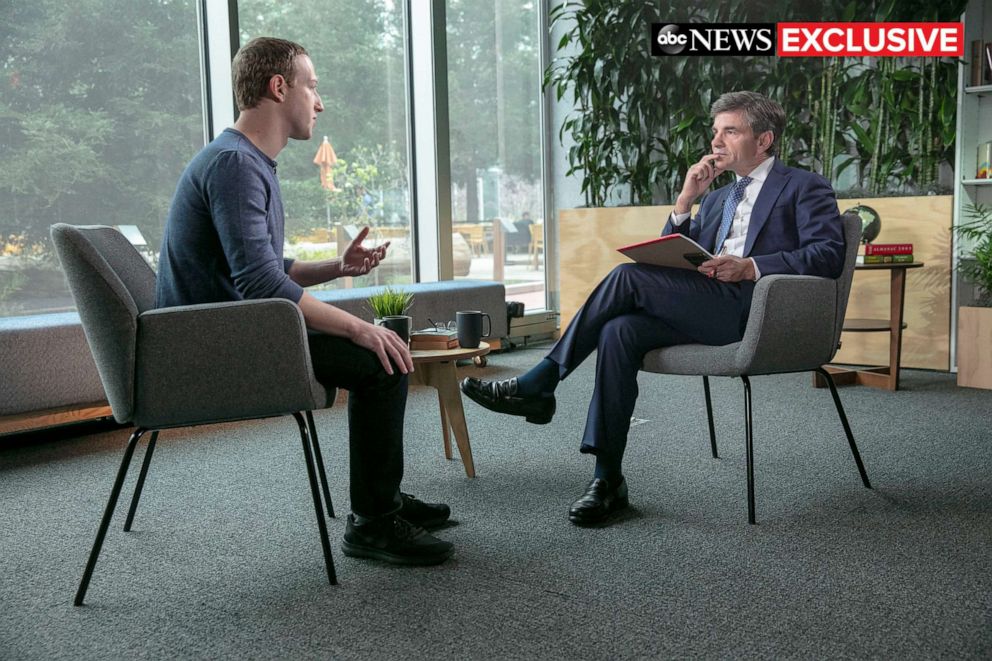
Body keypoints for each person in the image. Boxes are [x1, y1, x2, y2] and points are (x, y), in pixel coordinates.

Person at [461, 91, 845, 526]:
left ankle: (541, 382)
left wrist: (751, 267)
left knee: (626, 277)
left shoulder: (803, 186)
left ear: (764, 140)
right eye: (715, 131)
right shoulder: (717, 198)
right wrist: (685, 201)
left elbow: (828, 253)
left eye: (730, 131)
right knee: (618, 331)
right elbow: (677, 254)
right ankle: (608, 481)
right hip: (704, 304)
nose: (716, 142)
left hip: (756, 309)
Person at [156, 37, 453, 565]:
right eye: (312, 86)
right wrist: (361, 328)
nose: (319, 102)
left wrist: (337, 267)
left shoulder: (243, 161)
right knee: (380, 360)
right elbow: (263, 287)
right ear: (278, 87)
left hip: (235, 329)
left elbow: (266, 270)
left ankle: (379, 499)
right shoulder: (234, 165)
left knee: (379, 351)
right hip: (217, 347)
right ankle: (375, 523)